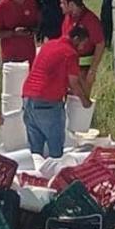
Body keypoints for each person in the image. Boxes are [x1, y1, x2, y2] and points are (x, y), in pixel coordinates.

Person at [22, 25, 92, 158]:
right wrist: (85, 101)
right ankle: (55, 175)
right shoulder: (70, 53)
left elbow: (51, 72)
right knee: (55, 149)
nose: (83, 48)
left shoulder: (49, 45)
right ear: (76, 39)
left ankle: (38, 174)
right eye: (83, 43)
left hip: (28, 97)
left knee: (35, 151)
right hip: (47, 102)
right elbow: (74, 82)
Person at [59, 0, 104, 99]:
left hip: (83, 69)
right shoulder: (67, 17)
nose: (60, 6)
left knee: (79, 100)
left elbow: (100, 44)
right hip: (68, 66)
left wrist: (92, 71)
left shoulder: (91, 20)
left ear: (72, 4)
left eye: (63, 3)